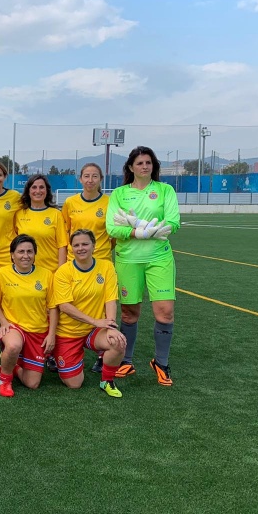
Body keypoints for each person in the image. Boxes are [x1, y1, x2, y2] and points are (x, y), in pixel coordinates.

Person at [106, 145, 179, 386]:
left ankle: (161, 363)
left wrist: (151, 230)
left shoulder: (165, 190)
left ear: (154, 166)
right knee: (129, 313)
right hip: (128, 259)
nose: (144, 166)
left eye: (148, 162)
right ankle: (126, 361)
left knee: (165, 313)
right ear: (130, 167)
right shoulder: (119, 194)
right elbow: (112, 228)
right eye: (139, 163)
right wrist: (139, 232)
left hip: (159, 259)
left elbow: (173, 222)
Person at [52, 229, 127, 398]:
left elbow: (110, 300)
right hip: (68, 332)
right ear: (71, 248)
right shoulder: (63, 272)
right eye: (76, 245)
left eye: (85, 244)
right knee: (74, 384)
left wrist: (111, 325)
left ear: (94, 245)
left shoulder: (106, 266)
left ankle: (107, 381)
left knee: (118, 342)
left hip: (94, 330)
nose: (81, 248)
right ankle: (59, 355)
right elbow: (64, 306)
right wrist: (95, 321)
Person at [62, 162, 114, 375]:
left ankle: (102, 355)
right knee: (69, 305)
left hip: (101, 262)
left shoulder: (109, 202)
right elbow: (66, 231)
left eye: (95, 176)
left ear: (100, 179)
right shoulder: (70, 202)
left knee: (102, 307)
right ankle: (63, 347)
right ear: (80, 179)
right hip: (74, 263)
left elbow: (113, 235)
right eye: (86, 176)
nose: (90, 180)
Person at [0, 235, 57, 397]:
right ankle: (5, 380)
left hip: (38, 331)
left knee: (32, 384)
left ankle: (12, 365)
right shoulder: (1, 274)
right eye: (20, 251)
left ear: (35, 254)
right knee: (13, 345)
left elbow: (53, 307)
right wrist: (3, 322)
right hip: (14, 327)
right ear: (12, 255)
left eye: (30, 251)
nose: (25, 255)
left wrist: (51, 334)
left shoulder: (47, 275)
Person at [14, 174, 67, 274]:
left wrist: (60, 273)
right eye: (34, 187)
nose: (38, 191)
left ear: (47, 191)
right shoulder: (19, 214)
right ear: (28, 191)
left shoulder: (56, 214)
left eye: (41, 187)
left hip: (51, 271)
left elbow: (62, 246)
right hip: (26, 272)